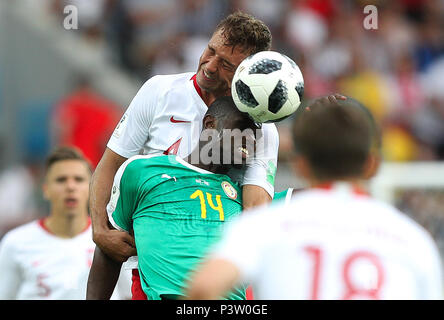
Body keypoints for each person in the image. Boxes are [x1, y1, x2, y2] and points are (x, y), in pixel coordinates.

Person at [89, 11, 279, 297]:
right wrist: (99, 230)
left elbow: (255, 211)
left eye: (226, 64)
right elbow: (110, 164)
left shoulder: (258, 130)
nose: (210, 66)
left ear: (246, 73)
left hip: (218, 276)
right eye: (210, 50)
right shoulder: (159, 91)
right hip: (153, 269)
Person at [186, 98, 443, 300]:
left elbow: (203, 289)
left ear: (300, 166)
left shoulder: (264, 226)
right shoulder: (413, 240)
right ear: (372, 166)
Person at [87, 96, 258, 300]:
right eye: (242, 128)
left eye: (256, 136)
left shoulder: (248, 197)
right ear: (210, 125)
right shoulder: (143, 171)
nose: (251, 139)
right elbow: (110, 248)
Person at [0, 147, 131, 300]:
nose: (70, 187)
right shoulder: (15, 243)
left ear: (92, 188)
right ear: (46, 189)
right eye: (61, 180)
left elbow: (128, 294)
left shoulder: (112, 239)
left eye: (79, 179)